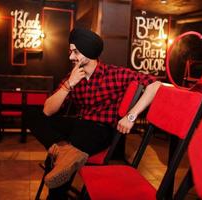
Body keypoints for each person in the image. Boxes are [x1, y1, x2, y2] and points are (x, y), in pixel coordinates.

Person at [28, 27, 161, 199]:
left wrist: (131, 116)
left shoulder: (114, 73)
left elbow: (154, 85)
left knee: (66, 151)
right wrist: (69, 84)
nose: (70, 57)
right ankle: (63, 154)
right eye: (70, 52)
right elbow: (47, 110)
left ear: (88, 52)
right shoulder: (73, 76)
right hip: (79, 126)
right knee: (32, 113)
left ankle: (58, 175)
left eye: (75, 52)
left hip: (100, 131)